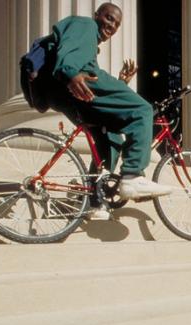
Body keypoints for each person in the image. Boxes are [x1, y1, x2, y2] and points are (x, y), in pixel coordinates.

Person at [43, 3, 173, 219]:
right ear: (97, 15)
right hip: (73, 79)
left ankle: (95, 201)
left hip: (61, 91)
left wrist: (121, 82)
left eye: (117, 24)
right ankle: (131, 177)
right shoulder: (84, 25)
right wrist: (70, 72)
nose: (112, 25)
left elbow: (83, 63)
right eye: (109, 18)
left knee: (110, 137)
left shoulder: (91, 45)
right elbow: (69, 51)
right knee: (142, 110)